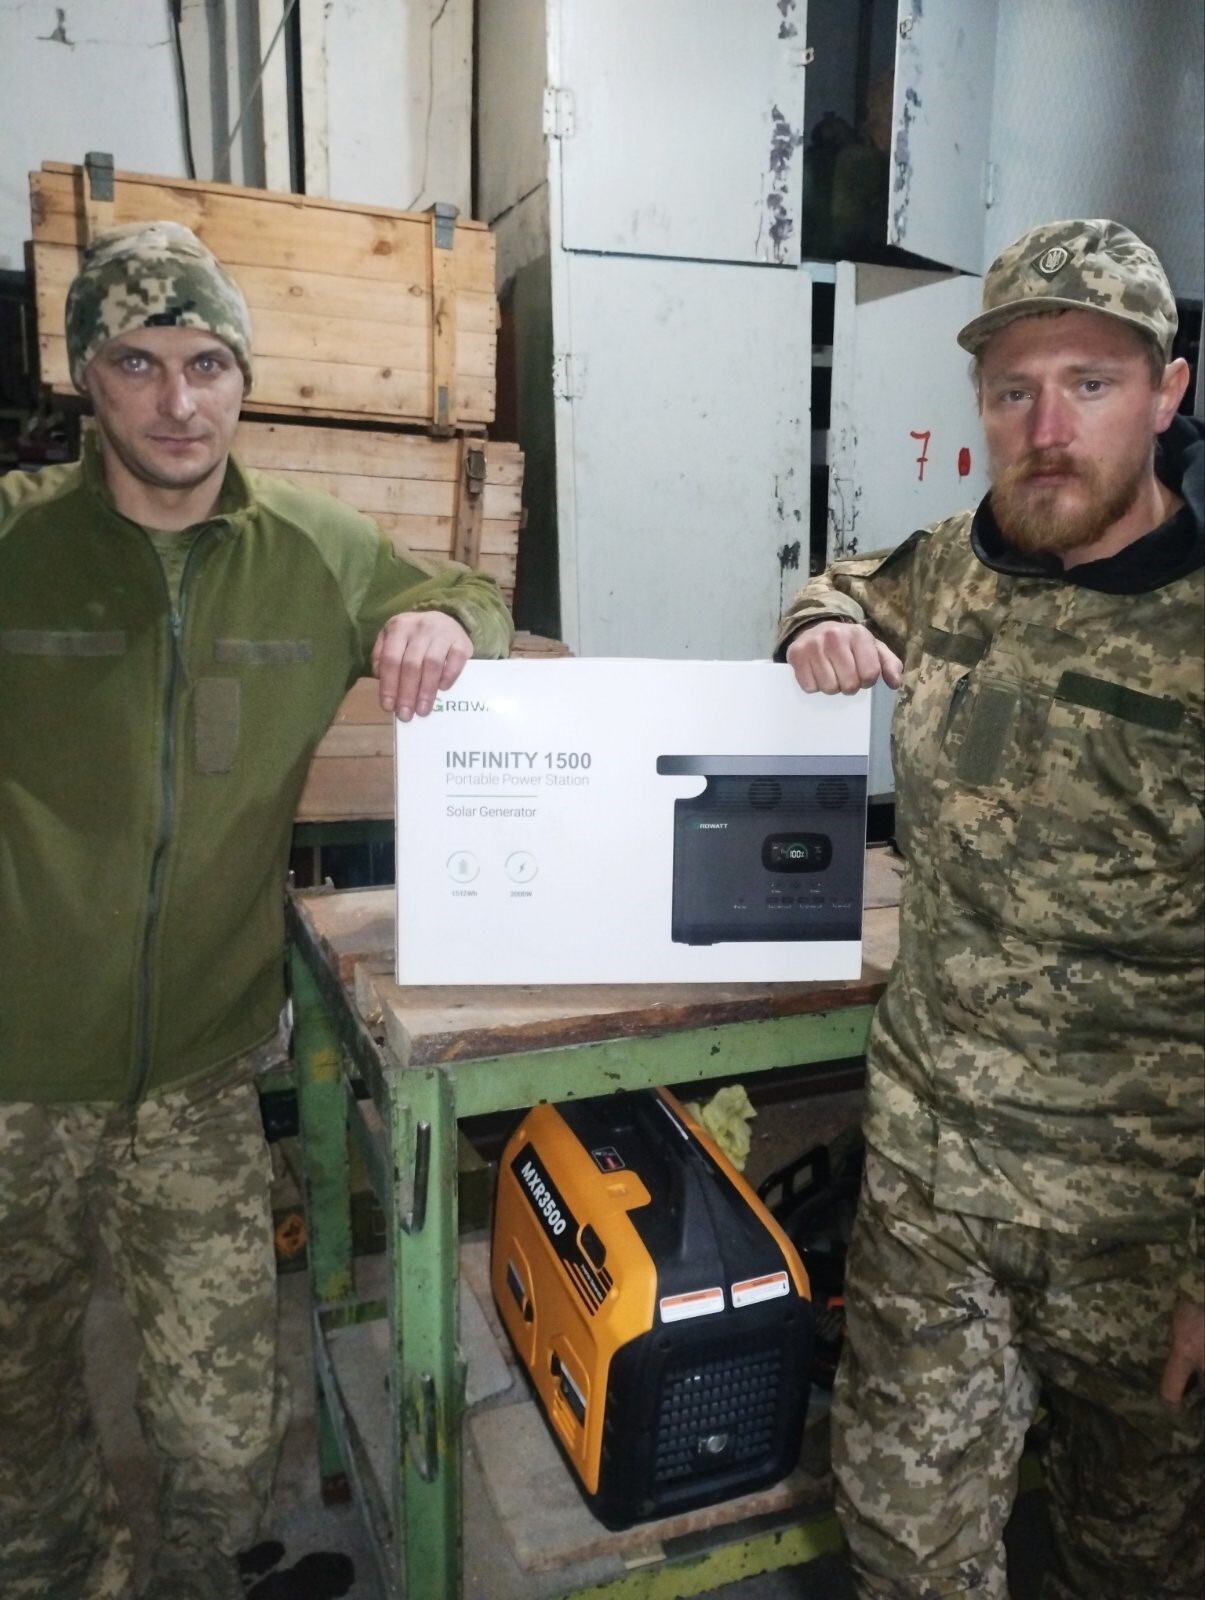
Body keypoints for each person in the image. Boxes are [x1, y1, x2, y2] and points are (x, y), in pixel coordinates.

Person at [0, 222, 514, 1600]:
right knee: (17, 1420)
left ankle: (197, 1577)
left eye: (208, 363)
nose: (179, 401)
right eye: (138, 363)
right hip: (15, 1078)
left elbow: (462, 590)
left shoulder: (311, 547)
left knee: (227, 1436)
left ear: (244, 375)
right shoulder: (17, 537)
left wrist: (446, 624)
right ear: (86, 380)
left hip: (201, 1076)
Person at [777, 218, 1203, 1598]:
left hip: (1139, 1224)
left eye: (1090, 383)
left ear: (1167, 393)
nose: (1046, 427)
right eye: (1013, 389)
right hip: (932, 1184)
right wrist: (818, 625)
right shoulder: (958, 564)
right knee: (905, 1555)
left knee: (1131, 1561)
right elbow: (839, 581)